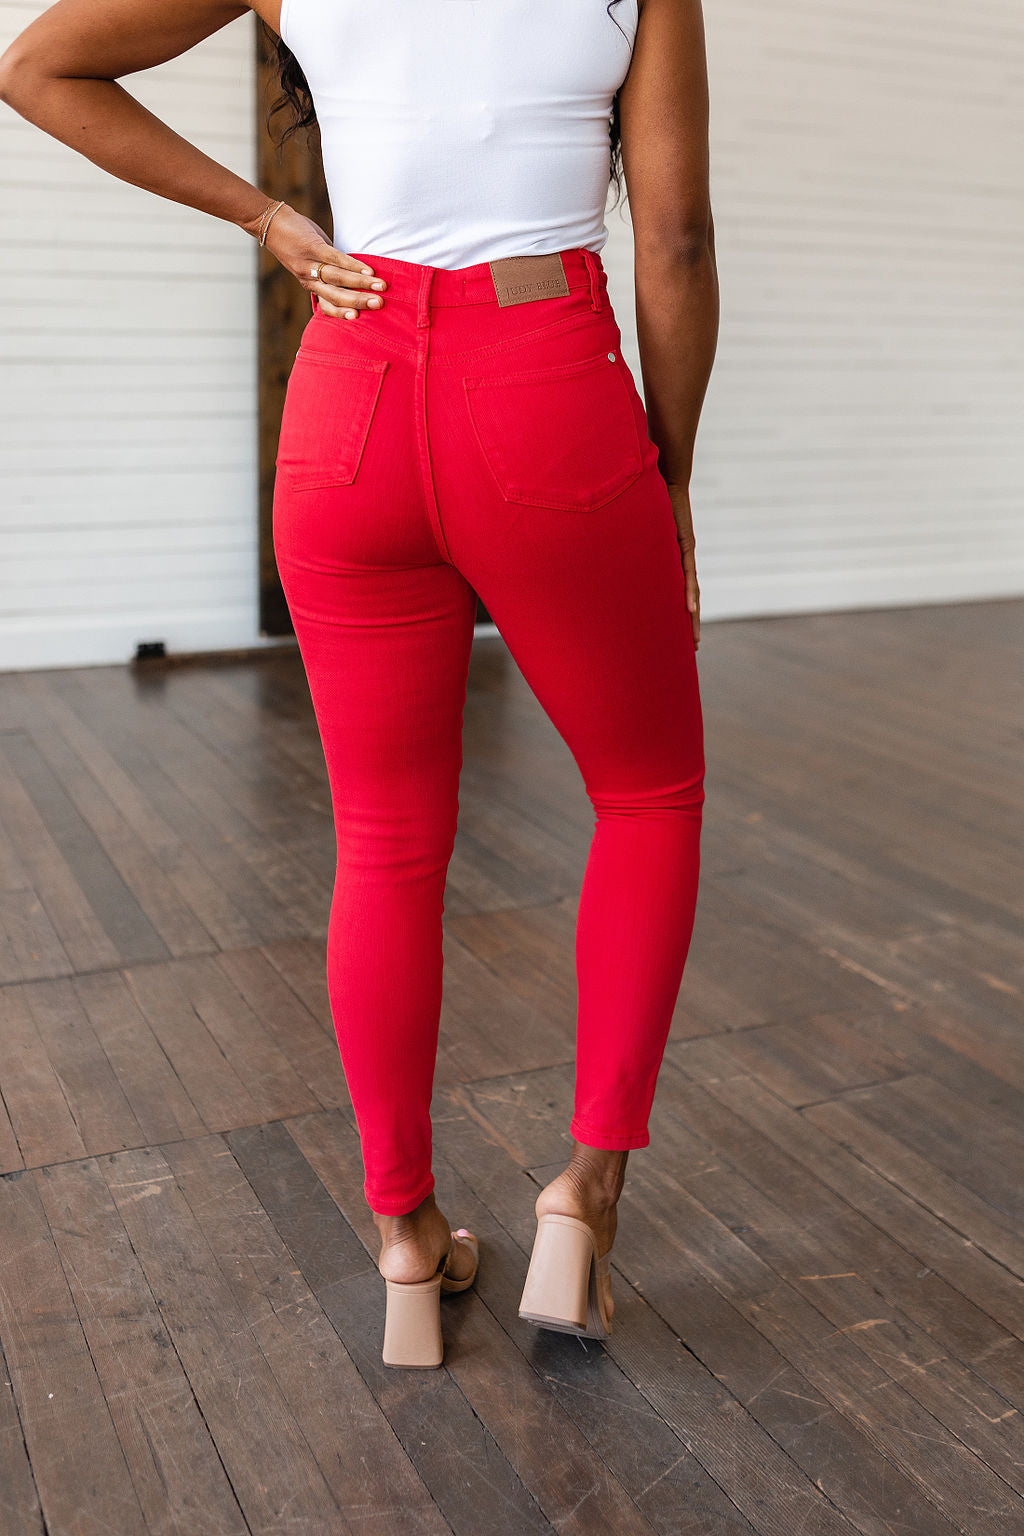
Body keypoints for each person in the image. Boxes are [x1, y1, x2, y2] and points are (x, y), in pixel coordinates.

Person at [0, 0, 718, 1369]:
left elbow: (36, 66)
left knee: (385, 843)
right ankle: (585, 1193)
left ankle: (405, 1239)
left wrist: (269, 218)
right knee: (647, 794)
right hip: (547, 394)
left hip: (352, 395)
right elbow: (676, 239)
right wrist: (670, 480)